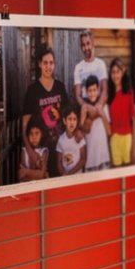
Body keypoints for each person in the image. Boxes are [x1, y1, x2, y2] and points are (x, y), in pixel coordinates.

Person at [21, 46, 70, 175]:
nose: (48, 66)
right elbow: (25, 125)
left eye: (51, 63)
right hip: (41, 152)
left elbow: (68, 116)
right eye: (45, 63)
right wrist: (30, 151)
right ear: (39, 64)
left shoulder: (60, 87)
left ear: (54, 64)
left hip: (60, 149)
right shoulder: (32, 90)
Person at [107, 58, 135, 166]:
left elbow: (133, 118)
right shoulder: (109, 95)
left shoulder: (129, 92)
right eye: (113, 72)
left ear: (123, 72)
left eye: (118, 72)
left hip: (127, 139)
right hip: (114, 139)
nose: (115, 76)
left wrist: (134, 147)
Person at [79, 76, 111, 172]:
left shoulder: (104, 107)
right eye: (90, 91)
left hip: (103, 157)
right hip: (90, 159)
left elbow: (109, 131)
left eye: (94, 90)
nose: (92, 93)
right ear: (85, 91)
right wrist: (84, 116)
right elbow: (81, 134)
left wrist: (102, 115)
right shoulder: (84, 108)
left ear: (98, 90)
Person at [56, 104, 87, 176]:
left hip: (78, 177)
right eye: (70, 119)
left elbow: (83, 159)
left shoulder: (80, 139)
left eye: (74, 119)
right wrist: (63, 173)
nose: (72, 122)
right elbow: (59, 162)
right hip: (66, 177)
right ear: (64, 121)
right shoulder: (61, 140)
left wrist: (70, 173)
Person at [19, 115, 49, 183]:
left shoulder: (44, 151)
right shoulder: (23, 151)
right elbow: (21, 175)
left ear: (42, 134)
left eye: (37, 133)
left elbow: (41, 174)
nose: (34, 137)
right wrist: (37, 174)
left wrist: (26, 172)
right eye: (31, 134)